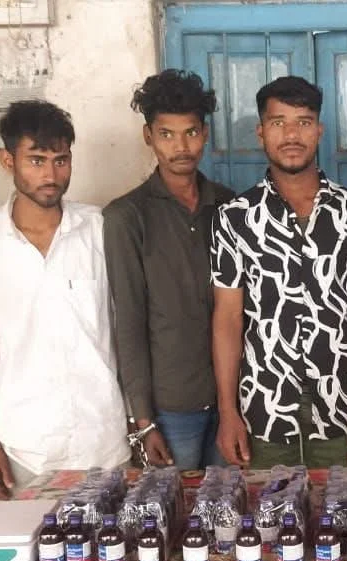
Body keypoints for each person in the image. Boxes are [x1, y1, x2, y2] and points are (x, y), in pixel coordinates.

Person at [0, 100, 131, 497]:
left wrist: (138, 421)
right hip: (24, 446)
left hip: (103, 441)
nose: (51, 175)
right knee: (31, 540)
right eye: (36, 161)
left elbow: (127, 332)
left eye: (61, 160)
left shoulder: (100, 229)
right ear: (7, 161)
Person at [210, 76, 347, 469]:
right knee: (268, 506)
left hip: (341, 404)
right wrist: (227, 411)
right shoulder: (235, 218)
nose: (291, 135)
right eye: (278, 122)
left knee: (342, 505)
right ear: (261, 132)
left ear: (319, 130)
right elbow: (227, 317)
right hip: (263, 407)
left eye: (303, 122)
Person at [104, 70, 234, 470]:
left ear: (205, 134)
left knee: (234, 501)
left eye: (191, 133)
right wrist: (143, 420)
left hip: (236, 399)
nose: (181, 147)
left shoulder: (232, 207)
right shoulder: (127, 217)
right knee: (176, 504)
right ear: (148, 136)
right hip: (172, 407)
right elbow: (129, 322)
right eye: (166, 134)